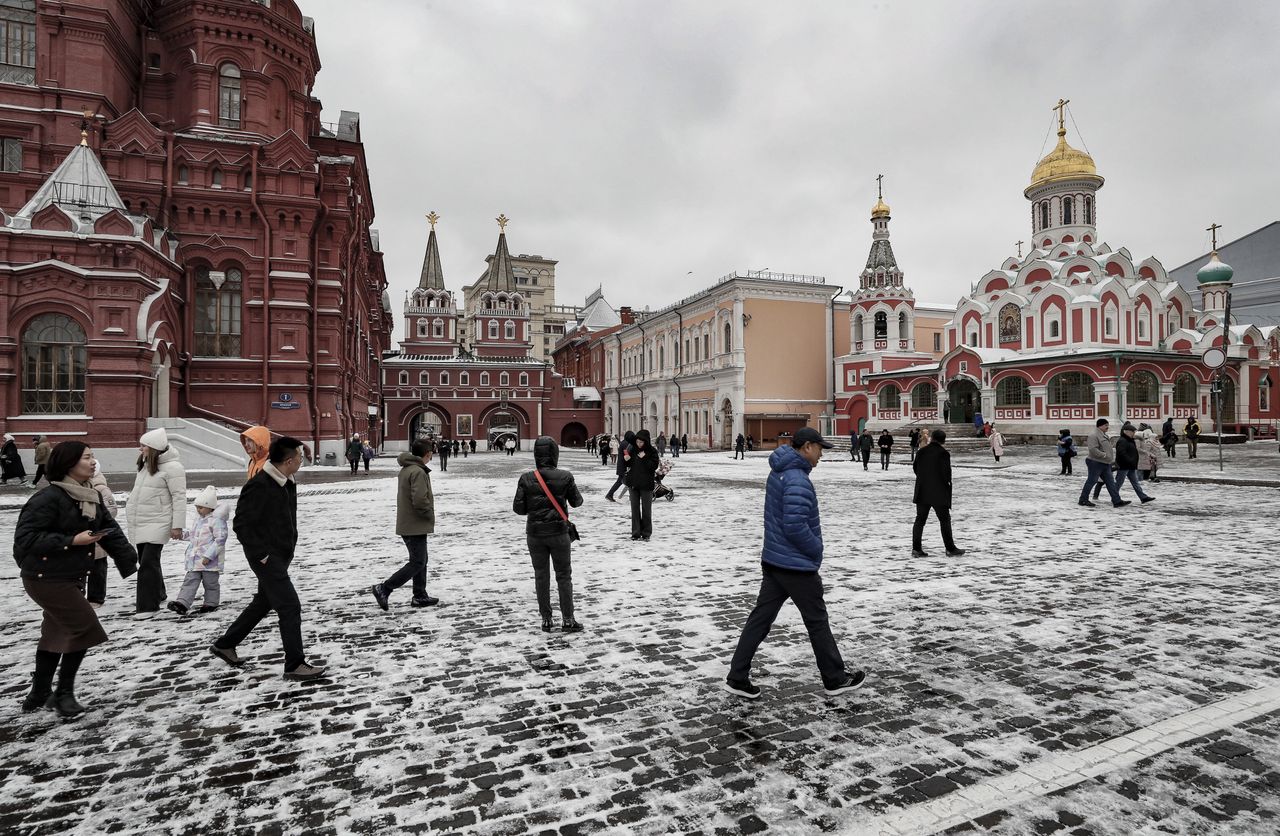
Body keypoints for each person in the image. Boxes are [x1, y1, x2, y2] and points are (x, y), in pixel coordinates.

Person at [724, 427, 864, 699]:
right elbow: (795, 525)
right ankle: (834, 678)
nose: (821, 455)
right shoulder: (797, 478)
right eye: (820, 449)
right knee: (817, 621)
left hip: (775, 559)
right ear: (808, 447)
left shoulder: (779, 470)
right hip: (795, 564)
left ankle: (737, 676)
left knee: (760, 619)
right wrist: (816, 549)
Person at [13, 441, 138, 717]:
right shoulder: (48, 498)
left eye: (93, 457)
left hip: (69, 575)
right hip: (45, 577)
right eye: (87, 458)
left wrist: (128, 557)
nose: (93, 462)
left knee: (56, 632)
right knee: (84, 628)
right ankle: (62, 694)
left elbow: (108, 528)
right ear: (69, 463)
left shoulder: (88, 494)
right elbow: (25, 538)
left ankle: (39, 693)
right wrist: (72, 540)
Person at [210, 436, 326, 680]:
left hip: (280, 554)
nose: (302, 461)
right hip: (267, 558)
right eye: (300, 457)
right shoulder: (260, 485)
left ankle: (225, 644)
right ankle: (294, 664)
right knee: (290, 606)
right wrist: (262, 555)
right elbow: (241, 524)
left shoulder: (286, 480)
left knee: (263, 602)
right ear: (288, 460)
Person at [513, 436, 585, 632]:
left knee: (541, 576)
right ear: (555, 454)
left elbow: (518, 509)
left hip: (535, 534)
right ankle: (568, 619)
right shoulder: (565, 476)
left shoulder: (526, 478)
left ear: (537, 455)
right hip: (558, 533)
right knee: (563, 575)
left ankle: (546, 618)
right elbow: (577, 502)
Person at [371, 438, 438, 611]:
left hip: (409, 522)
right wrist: (428, 513)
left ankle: (420, 595)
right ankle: (385, 588)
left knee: (421, 560)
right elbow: (420, 500)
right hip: (414, 523)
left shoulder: (407, 468)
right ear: (428, 454)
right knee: (417, 562)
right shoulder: (418, 472)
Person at [127, 428, 187, 619]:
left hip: (159, 521)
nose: (140, 448)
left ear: (153, 448)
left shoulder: (173, 468)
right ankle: (158, 593)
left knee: (148, 563)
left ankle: (147, 606)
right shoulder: (146, 464)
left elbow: (179, 497)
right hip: (142, 520)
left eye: (143, 445)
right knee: (146, 560)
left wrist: (177, 526)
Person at [169, 485, 228, 615]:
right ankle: (182, 603)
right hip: (195, 560)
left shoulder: (217, 521)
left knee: (210, 583)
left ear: (210, 507)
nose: (198, 510)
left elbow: (220, 540)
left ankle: (211, 603)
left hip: (209, 562)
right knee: (190, 580)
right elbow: (193, 535)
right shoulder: (198, 520)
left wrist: (209, 556)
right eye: (197, 507)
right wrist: (181, 535)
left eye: (201, 507)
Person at [911, 430, 966, 558]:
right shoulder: (943, 453)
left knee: (920, 520)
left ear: (932, 438)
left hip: (922, 490)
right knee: (945, 520)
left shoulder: (921, 451)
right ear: (943, 440)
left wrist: (924, 479)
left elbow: (915, 468)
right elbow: (946, 473)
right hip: (939, 492)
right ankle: (950, 548)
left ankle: (916, 549)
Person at [86, 460, 118, 609]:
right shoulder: (78, 485)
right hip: (81, 535)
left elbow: (112, 510)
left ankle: (96, 598)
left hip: (97, 535)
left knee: (97, 568)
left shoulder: (101, 488)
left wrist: (93, 518)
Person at [1079, 419, 1129, 508]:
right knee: (1092, 481)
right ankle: (1083, 499)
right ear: (1100, 426)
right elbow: (1093, 449)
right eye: (1106, 425)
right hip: (1095, 462)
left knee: (1110, 482)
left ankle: (1117, 501)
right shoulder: (1093, 435)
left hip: (1105, 463)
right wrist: (1104, 455)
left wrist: (1108, 458)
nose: (1107, 427)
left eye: (1108, 425)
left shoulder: (1104, 435)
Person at [624, 429, 660, 541]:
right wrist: (627, 460)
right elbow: (631, 464)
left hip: (646, 484)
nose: (639, 444)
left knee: (646, 510)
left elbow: (653, 466)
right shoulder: (633, 449)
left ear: (646, 442)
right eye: (637, 442)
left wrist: (644, 458)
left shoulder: (652, 451)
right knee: (634, 509)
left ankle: (646, 533)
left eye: (641, 442)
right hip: (633, 483)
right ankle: (635, 533)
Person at [1112, 423, 1155, 504]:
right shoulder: (1122, 441)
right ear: (1126, 431)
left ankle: (1143, 497)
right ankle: (1115, 498)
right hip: (1124, 466)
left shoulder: (1130, 440)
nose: (1134, 433)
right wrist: (1130, 460)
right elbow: (1121, 454)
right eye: (1133, 432)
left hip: (1131, 466)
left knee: (1135, 483)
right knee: (1118, 483)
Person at [605, 431, 634, 502]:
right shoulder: (626, 444)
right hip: (624, 467)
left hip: (622, 465)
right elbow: (626, 455)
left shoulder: (624, 442)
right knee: (626, 482)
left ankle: (610, 495)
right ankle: (610, 495)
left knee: (622, 482)